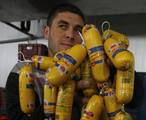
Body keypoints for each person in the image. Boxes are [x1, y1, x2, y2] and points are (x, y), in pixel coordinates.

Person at [5, 2, 143, 120]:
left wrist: (115, 67)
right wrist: (67, 97)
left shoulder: (98, 63)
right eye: (62, 26)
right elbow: (16, 117)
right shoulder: (22, 71)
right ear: (46, 32)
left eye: (78, 30)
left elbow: (136, 100)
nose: (70, 35)